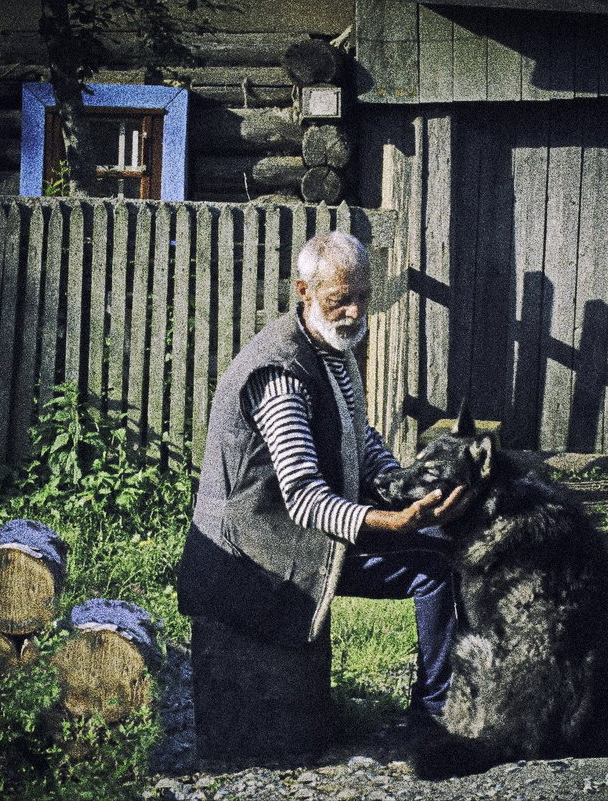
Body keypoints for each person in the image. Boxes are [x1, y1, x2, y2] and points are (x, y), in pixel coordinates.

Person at [177, 231, 469, 722]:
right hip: (257, 554)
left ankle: (456, 695)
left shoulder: (329, 347)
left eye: (363, 298)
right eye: (340, 300)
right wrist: (392, 522)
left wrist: (401, 488)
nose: (355, 312)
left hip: (293, 535)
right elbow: (305, 499)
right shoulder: (282, 375)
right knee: (435, 569)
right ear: (302, 291)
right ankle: (437, 714)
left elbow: (359, 436)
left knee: (446, 535)